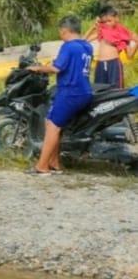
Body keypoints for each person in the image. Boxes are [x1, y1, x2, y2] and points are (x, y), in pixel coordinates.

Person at [27, 15, 93, 175]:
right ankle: (54, 163)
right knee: (50, 123)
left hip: (70, 92)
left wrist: (37, 68)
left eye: (60, 31)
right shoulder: (86, 46)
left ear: (64, 31)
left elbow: (57, 68)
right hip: (84, 90)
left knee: (53, 128)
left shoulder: (69, 46)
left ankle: (41, 166)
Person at [83, 5, 137, 88]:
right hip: (100, 64)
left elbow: (129, 55)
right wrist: (92, 27)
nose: (107, 24)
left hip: (114, 64)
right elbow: (83, 41)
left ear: (116, 18)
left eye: (109, 21)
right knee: (99, 89)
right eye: (104, 22)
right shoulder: (102, 32)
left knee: (116, 91)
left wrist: (136, 43)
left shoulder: (122, 33)